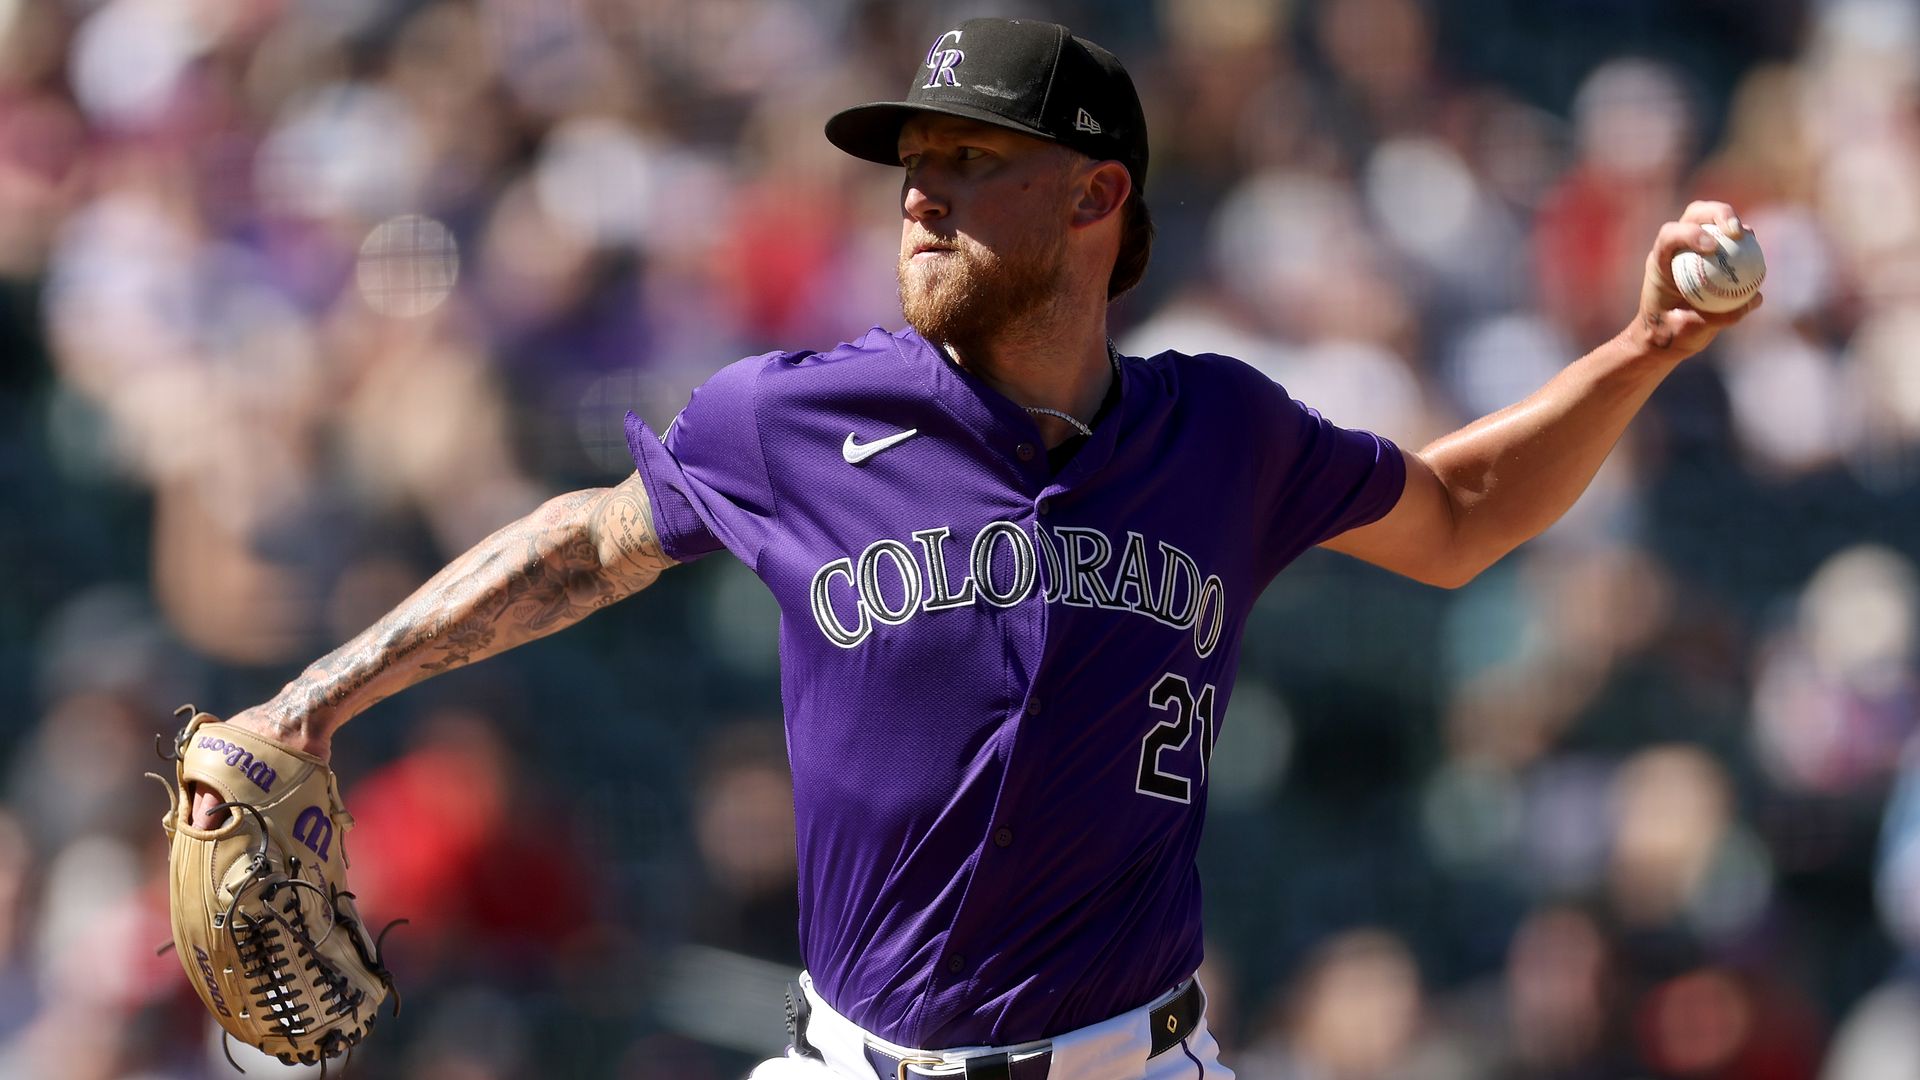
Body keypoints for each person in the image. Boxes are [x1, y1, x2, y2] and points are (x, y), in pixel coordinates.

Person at [186, 16, 1760, 1080]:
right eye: (913, 164)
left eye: (970, 160)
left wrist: (1642, 352)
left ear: (1096, 195)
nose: (921, 197)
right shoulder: (790, 419)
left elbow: (1465, 515)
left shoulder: (1221, 434)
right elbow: (582, 548)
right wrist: (317, 701)